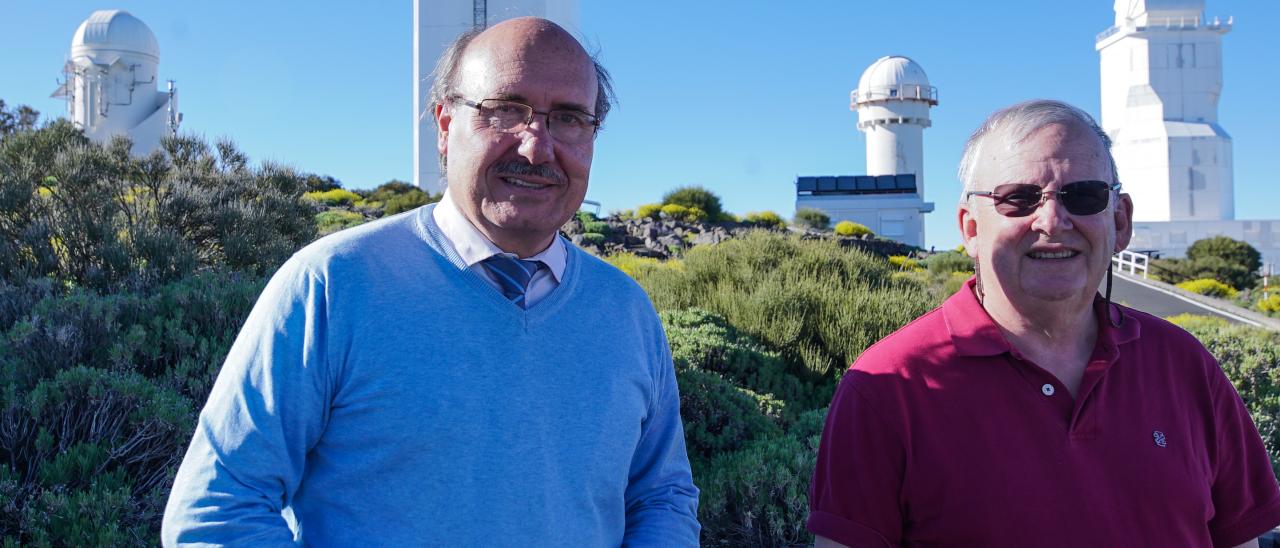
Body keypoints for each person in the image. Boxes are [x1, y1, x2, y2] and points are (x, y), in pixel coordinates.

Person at [162, 18, 700, 546]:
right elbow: (216, 511)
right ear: (444, 125)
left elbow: (661, 497)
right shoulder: (333, 285)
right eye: (505, 111)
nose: (537, 146)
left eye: (569, 118)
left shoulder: (625, 311)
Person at [808, 99, 1280, 547]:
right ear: (970, 228)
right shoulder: (889, 386)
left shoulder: (1185, 366)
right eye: (1018, 198)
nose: (1052, 220)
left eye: (1084, 195)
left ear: (1120, 221)